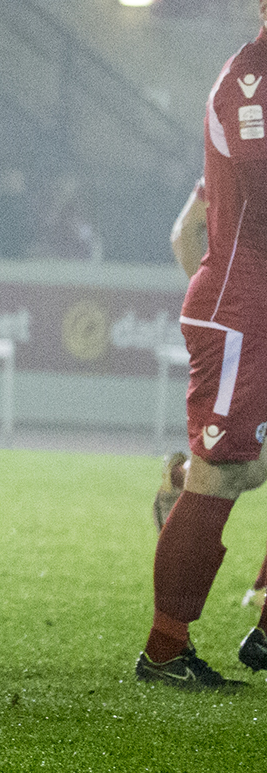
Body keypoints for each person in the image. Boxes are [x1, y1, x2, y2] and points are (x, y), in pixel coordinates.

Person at [141, 0, 267, 689]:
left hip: (249, 299)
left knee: (235, 468)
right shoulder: (250, 80)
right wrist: (216, 296)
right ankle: (164, 648)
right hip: (243, 305)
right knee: (225, 470)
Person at [152, 179, 267, 606]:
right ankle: (167, 644)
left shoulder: (232, 164)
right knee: (228, 469)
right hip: (249, 325)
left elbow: (184, 231)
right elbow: (184, 232)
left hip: (244, 320)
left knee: (252, 468)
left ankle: (261, 587)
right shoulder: (246, 163)